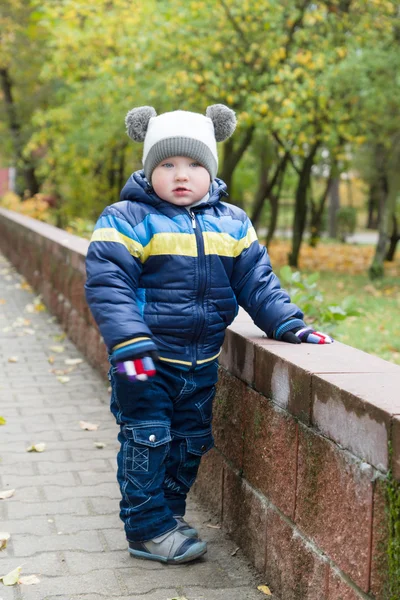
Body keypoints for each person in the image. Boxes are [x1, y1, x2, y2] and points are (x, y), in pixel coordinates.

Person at [85, 104, 332, 565]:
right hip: (143, 361)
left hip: (200, 363)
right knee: (147, 438)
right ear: (149, 168)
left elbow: (257, 283)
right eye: (168, 164)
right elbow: (108, 286)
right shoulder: (126, 219)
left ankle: (168, 516)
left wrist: (289, 324)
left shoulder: (233, 222)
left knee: (188, 444)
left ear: (212, 168)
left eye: (196, 164)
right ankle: (145, 528)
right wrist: (128, 342)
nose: (183, 175)